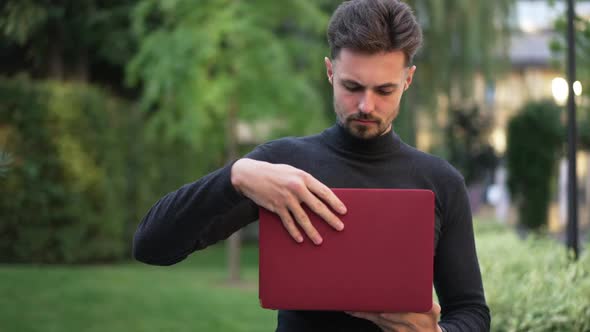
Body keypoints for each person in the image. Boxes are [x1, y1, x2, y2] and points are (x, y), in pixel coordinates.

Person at [133, 0, 490, 331]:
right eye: (353, 86)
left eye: (384, 90)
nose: (366, 105)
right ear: (330, 72)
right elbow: (152, 246)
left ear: (407, 80)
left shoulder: (440, 181)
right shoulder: (279, 167)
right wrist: (235, 176)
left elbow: (471, 311)